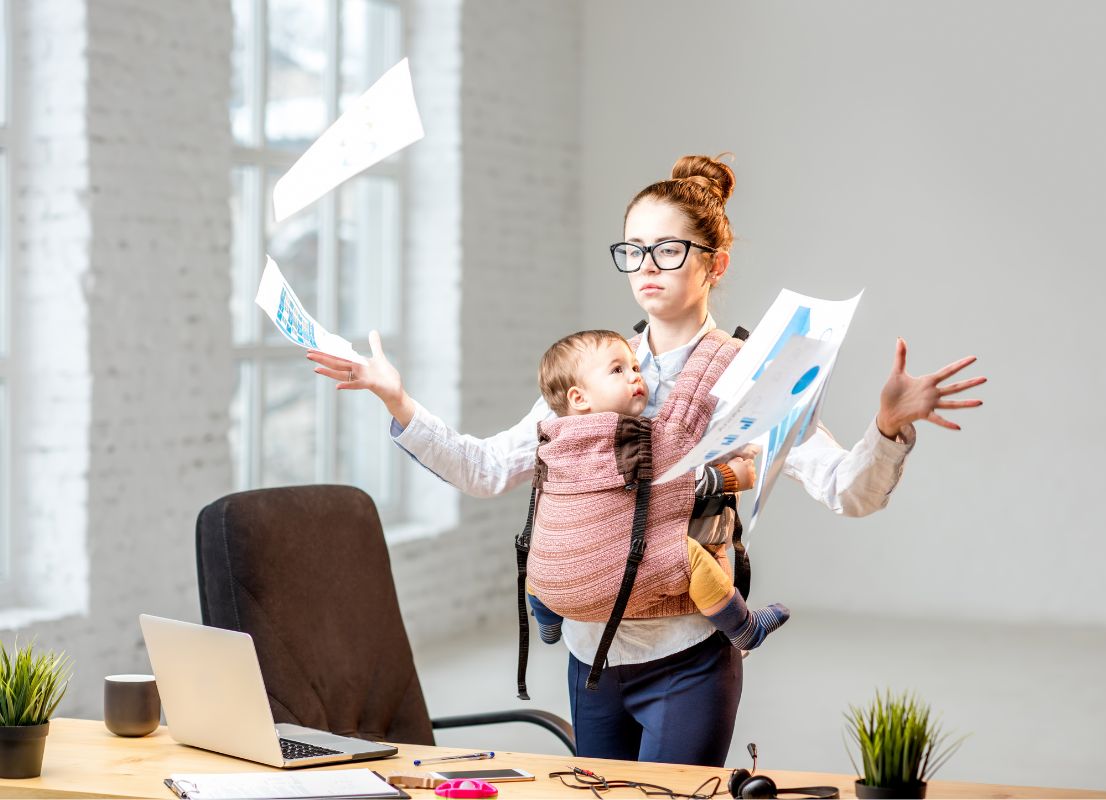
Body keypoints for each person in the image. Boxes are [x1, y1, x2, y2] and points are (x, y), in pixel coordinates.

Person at [306, 154, 986, 767]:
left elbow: (849, 491)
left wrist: (888, 427)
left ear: (715, 263)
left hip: (687, 659)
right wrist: (397, 402)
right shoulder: (594, 371)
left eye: (668, 249)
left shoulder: (753, 374)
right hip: (589, 659)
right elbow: (486, 470)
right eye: (633, 250)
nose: (647, 267)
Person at [525, 328, 788, 653]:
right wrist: (730, 477)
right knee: (693, 559)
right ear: (579, 397)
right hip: (606, 584)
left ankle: (548, 623)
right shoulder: (624, 437)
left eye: (635, 367)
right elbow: (671, 483)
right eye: (617, 370)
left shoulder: (550, 441)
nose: (635, 376)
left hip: (550, 587)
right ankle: (743, 627)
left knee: (542, 550)